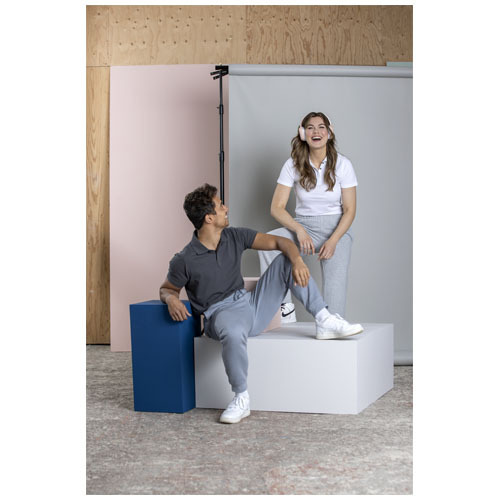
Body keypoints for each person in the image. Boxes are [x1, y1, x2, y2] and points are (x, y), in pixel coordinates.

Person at [160, 184, 363, 424]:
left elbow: (281, 243)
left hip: (251, 303)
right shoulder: (184, 260)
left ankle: (323, 318)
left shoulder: (234, 236)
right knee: (233, 332)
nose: (226, 208)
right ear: (209, 218)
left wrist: (297, 261)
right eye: (220, 205)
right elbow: (167, 288)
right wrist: (171, 298)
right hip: (220, 315)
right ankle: (241, 397)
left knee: (286, 261)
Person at [259, 112, 358, 324]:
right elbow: (276, 208)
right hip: (304, 227)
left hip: (337, 231)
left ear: (329, 133)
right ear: (303, 133)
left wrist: (333, 240)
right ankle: (284, 309)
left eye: (321, 127)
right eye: (310, 127)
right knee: (268, 243)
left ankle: (331, 324)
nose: (316, 131)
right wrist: (299, 230)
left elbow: (350, 210)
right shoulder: (292, 165)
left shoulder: (343, 165)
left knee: (335, 296)